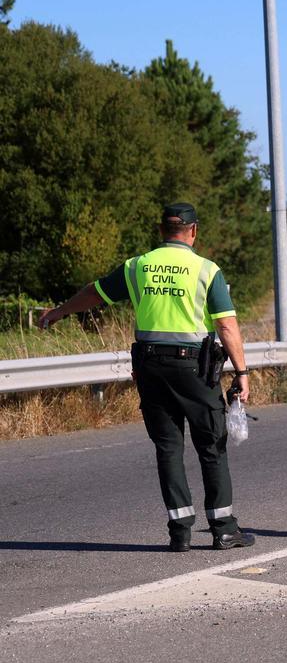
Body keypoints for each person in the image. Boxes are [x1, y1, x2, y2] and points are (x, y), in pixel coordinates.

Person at [38, 203, 256, 553]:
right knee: (211, 446)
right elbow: (226, 325)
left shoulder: (137, 267)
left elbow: (95, 293)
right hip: (194, 371)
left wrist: (59, 312)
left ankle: (180, 532)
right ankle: (224, 530)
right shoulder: (205, 270)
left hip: (151, 368)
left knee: (168, 448)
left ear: (161, 231)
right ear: (193, 231)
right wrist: (242, 372)